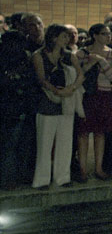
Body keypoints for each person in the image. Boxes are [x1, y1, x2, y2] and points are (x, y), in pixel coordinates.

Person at [31, 24, 83, 189]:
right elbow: (41, 79)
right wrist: (56, 91)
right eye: (64, 36)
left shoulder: (69, 55)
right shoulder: (39, 55)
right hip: (47, 102)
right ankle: (42, 179)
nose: (67, 39)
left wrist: (71, 89)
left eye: (68, 37)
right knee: (44, 143)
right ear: (54, 37)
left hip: (66, 102)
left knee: (65, 142)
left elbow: (81, 75)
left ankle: (62, 177)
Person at [0, 13, 44, 189]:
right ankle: (10, 179)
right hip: (12, 107)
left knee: (20, 144)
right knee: (12, 145)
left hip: (23, 106)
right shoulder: (14, 58)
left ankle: (16, 177)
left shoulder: (26, 56)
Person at [76, 23, 112, 181]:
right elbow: (78, 74)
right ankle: (82, 169)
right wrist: (91, 62)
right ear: (94, 35)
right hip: (87, 94)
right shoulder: (82, 52)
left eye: (108, 34)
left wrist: (101, 60)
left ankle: (98, 168)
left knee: (100, 132)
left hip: (104, 94)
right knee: (83, 132)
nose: (108, 37)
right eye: (104, 34)